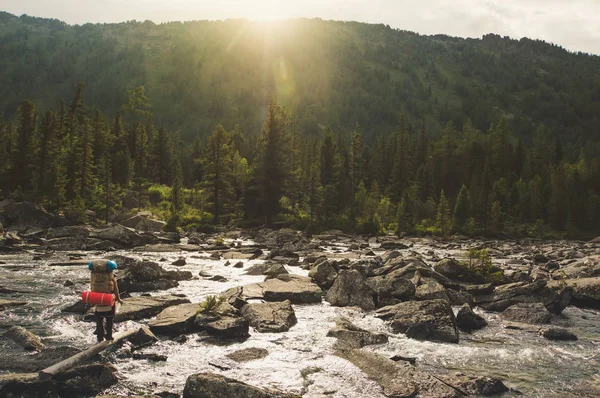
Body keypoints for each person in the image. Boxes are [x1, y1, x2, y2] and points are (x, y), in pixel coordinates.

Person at [89, 259, 123, 342]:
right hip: (109, 300)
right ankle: (109, 337)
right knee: (109, 321)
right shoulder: (111, 277)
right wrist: (118, 299)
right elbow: (115, 289)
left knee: (99, 321)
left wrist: (92, 301)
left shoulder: (94, 276)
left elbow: (92, 287)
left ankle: (99, 338)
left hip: (98, 300)